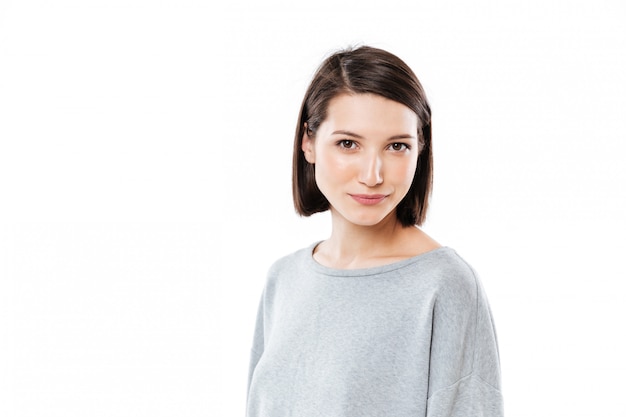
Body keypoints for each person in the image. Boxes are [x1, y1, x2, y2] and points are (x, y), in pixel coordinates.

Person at [246, 45, 503, 417]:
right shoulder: (283, 279)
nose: (372, 175)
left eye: (397, 146)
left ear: (420, 150)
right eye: (348, 144)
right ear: (308, 142)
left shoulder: (444, 285)